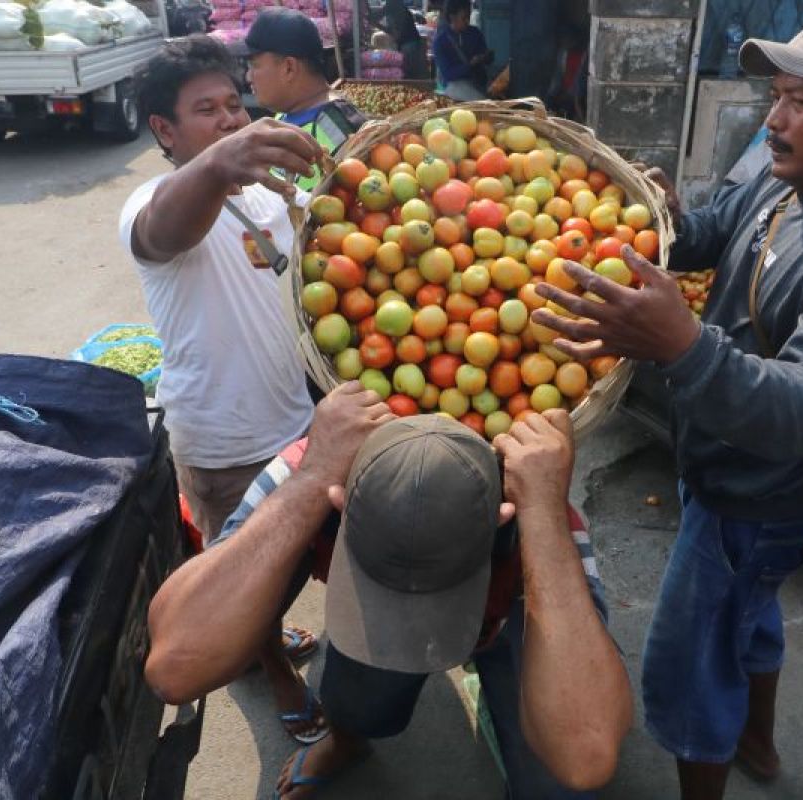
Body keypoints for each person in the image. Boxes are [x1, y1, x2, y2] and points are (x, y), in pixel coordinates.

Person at [529, 9, 803, 799]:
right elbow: (713, 234)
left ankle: (713, 760)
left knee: (690, 668)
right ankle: (760, 744)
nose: (775, 119)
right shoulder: (786, 180)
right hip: (719, 461)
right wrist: (664, 213)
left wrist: (683, 346)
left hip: (760, 495)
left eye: (802, 101)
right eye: (776, 96)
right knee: (747, 614)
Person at [144, 385, 633, 800]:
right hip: (371, 599)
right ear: (340, 499)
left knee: (556, 781)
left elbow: (586, 756)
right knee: (358, 703)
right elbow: (175, 668)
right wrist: (313, 477)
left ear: (501, 515)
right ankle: (347, 741)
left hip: (511, 614)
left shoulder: (538, 502)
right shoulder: (313, 467)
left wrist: (543, 521)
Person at [121, 34, 327, 744]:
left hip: (294, 421)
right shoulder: (155, 202)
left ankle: (264, 633)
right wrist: (216, 167)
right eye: (205, 111)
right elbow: (161, 232)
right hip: (224, 440)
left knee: (289, 559)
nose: (231, 121)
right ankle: (272, 671)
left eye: (234, 105)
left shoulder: (270, 198)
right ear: (165, 132)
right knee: (246, 572)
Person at [240, 9, 367, 192]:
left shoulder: (340, 129)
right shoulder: (284, 115)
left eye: (254, 66)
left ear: (289, 68)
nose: (248, 77)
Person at [432, 0, 491, 102]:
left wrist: (486, 57)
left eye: (469, 16)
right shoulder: (440, 42)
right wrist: (470, 64)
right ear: (452, 17)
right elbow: (448, 74)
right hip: (454, 87)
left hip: (477, 84)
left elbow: (485, 58)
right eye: (464, 18)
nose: (467, 21)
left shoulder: (475, 33)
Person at [379, 0, 428, 80]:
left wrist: (371, 20)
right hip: (410, 44)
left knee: (410, 77)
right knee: (412, 76)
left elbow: (377, 15)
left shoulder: (392, 3)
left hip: (410, 44)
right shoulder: (395, 5)